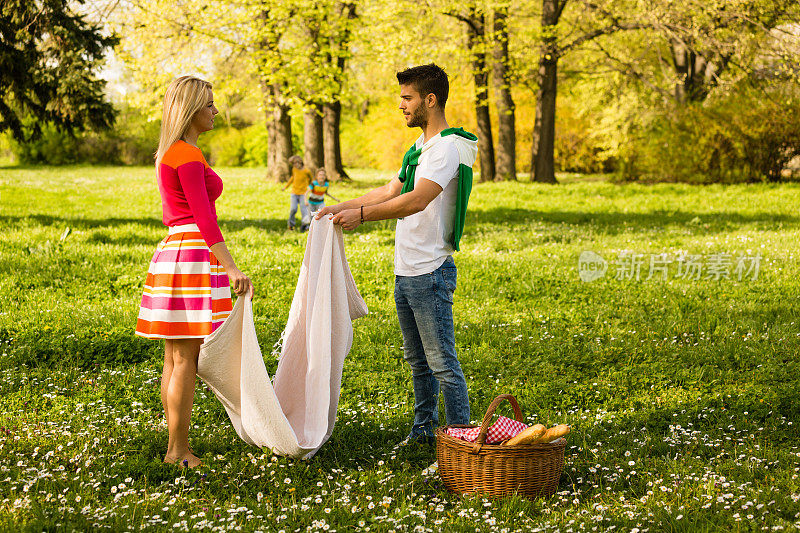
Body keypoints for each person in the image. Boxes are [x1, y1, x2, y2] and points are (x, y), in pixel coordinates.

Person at [316, 63, 478, 445]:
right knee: (418, 362)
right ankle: (424, 431)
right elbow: (391, 191)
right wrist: (339, 208)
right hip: (407, 270)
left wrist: (361, 216)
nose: (401, 105)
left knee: (442, 363)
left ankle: (461, 439)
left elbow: (417, 201)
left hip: (430, 270)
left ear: (430, 99)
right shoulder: (421, 148)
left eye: (407, 98)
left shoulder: (448, 148)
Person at [135, 75, 255, 468]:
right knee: (186, 359)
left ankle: (175, 446)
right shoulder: (187, 155)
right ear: (190, 110)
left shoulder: (171, 151)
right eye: (209, 104)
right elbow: (205, 218)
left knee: (174, 359)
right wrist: (232, 267)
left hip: (174, 249)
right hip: (192, 252)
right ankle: (178, 451)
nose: (216, 111)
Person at [283, 155, 313, 231]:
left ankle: (305, 225)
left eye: (296, 163)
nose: (295, 165)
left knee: (304, 210)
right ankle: (291, 224)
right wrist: (285, 187)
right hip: (294, 193)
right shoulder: (294, 169)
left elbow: (311, 180)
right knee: (293, 209)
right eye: (293, 164)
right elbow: (292, 178)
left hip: (303, 193)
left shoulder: (306, 171)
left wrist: (310, 188)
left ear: (300, 162)